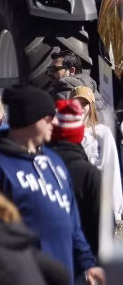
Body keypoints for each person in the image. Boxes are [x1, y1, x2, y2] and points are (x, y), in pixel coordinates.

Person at [0, 85, 103, 285]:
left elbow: (72, 220)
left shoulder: (53, 162)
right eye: (48, 117)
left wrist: (88, 263)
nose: (55, 123)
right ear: (30, 120)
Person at [49, 99, 104, 257]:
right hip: (85, 265)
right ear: (79, 134)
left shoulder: (37, 168)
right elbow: (103, 228)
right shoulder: (90, 174)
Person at [68, 85, 123, 235]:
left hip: (99, 205)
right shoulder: (64, 136)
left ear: (91, 107)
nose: (80, 107)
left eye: (84, 103)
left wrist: (117, 212)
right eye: (76, 103)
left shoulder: (102, 133)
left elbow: (113, 171)